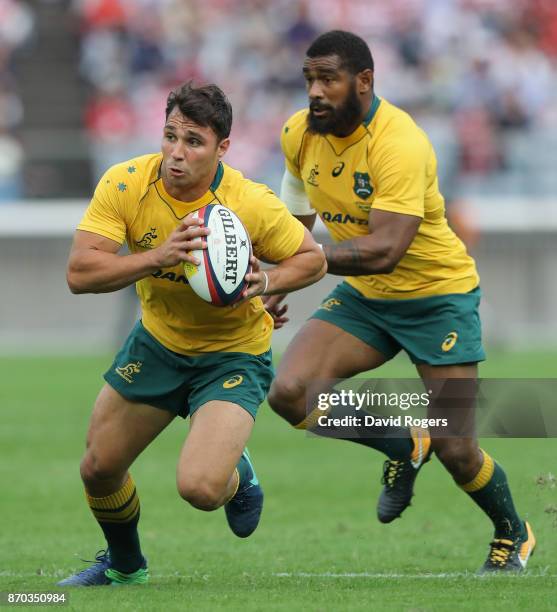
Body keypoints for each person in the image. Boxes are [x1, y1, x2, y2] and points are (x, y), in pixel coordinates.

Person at [266, 30, 535, 573]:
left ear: (364, 81)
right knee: (290, 392)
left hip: (438, 298)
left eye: (329, 79)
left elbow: (386, 249)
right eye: (309, 79)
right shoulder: (298, 133)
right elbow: (294, 221)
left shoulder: (400, 142)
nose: (315, 91)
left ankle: (513, 533)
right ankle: (403, 439)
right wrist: (281, 279)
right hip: (368, 298)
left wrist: (301, 264)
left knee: (458, 449)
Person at [58, 82, 326, 587]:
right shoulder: (126, 184)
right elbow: (79, 274)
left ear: (222, 147)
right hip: (158, 344)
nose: (177, 153)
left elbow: (312, 259)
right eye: (170, 136)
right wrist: (158, 256)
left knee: (201, 489)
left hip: (232, 356)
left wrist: (265, 282)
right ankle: (124, 567)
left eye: (194, 141)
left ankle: (238, 474)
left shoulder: (249, 201)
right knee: (98, 468)